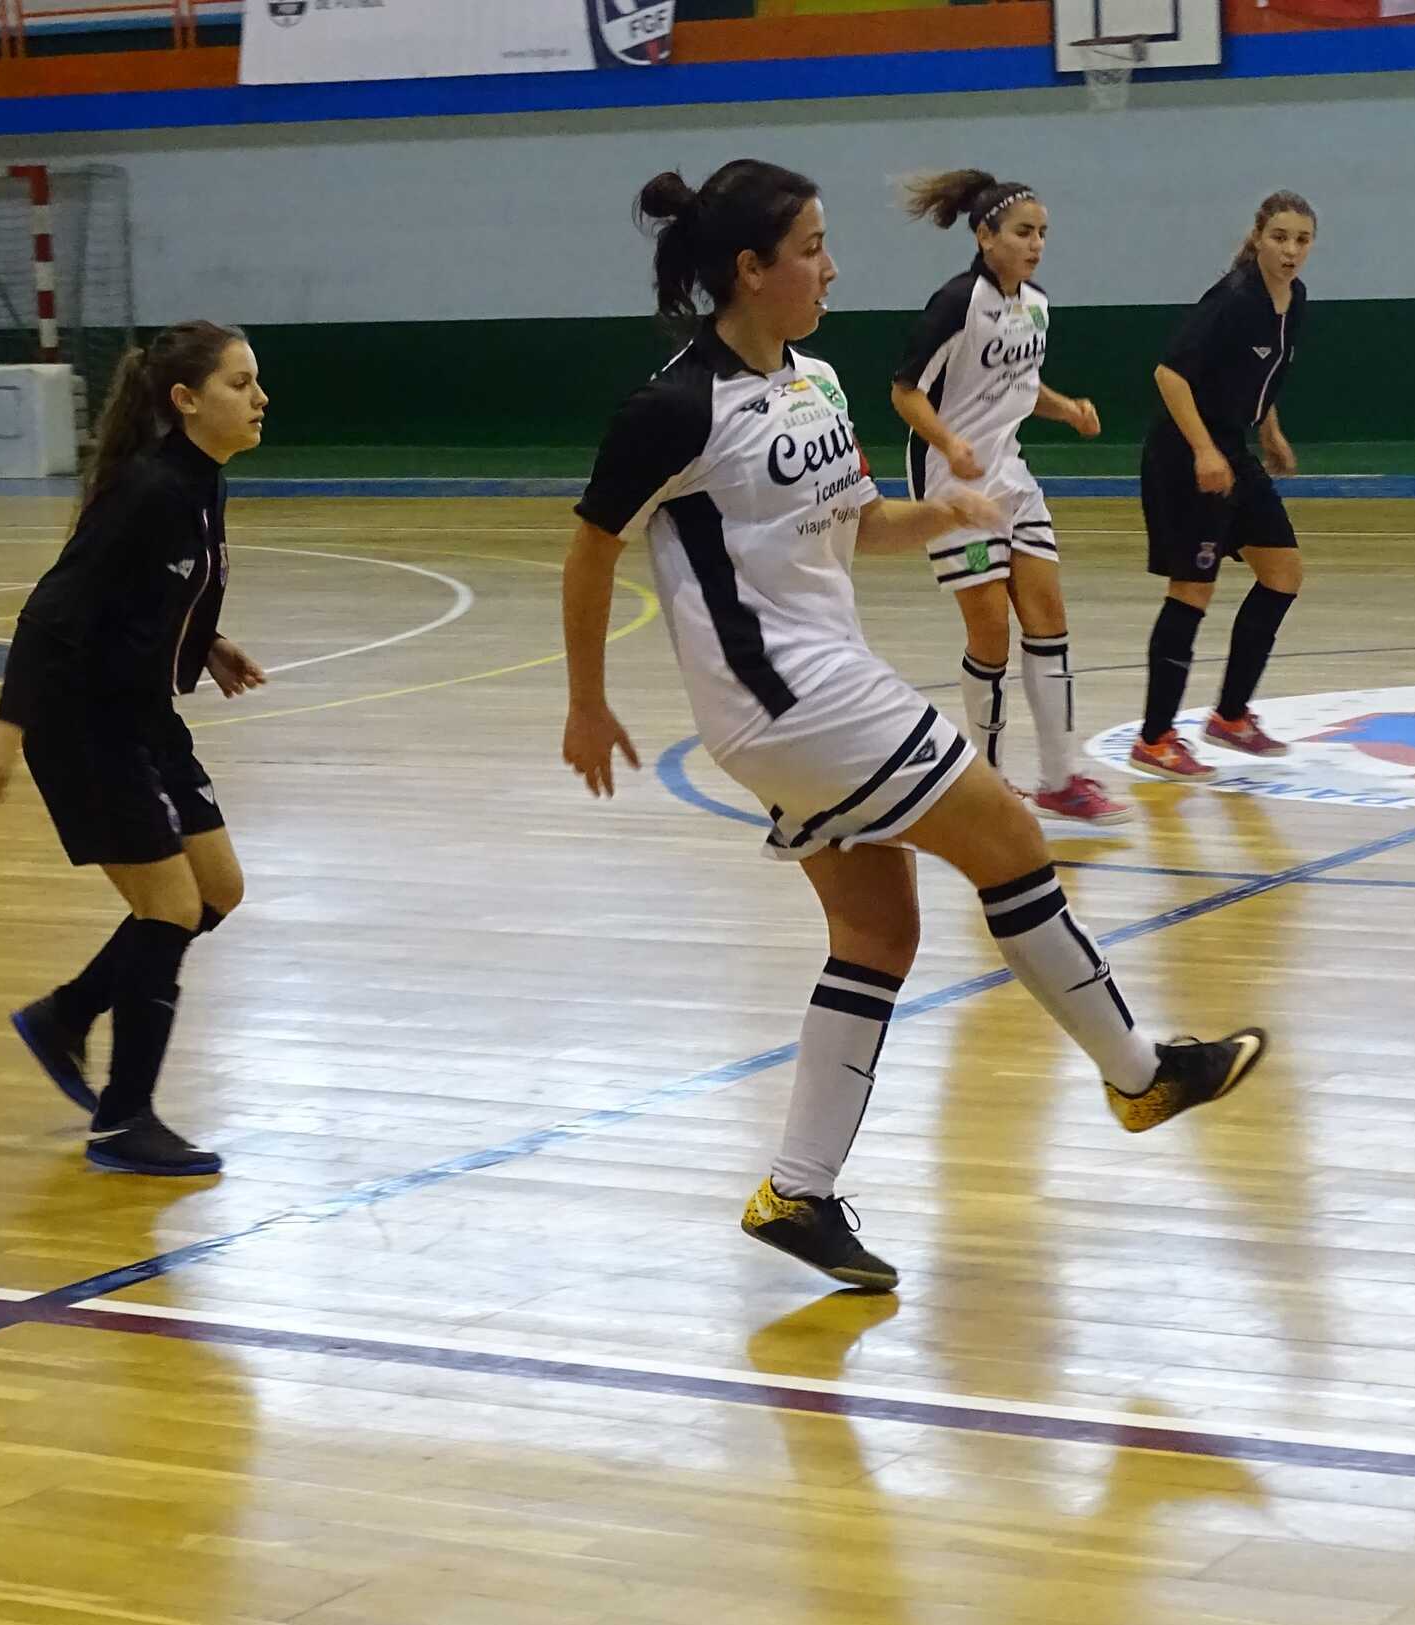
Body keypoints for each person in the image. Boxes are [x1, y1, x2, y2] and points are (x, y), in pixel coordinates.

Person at [561, 158, 1267, 1292]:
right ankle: (1139, 1073)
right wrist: (588, 700)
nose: (832, 269)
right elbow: (592, 544)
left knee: (879, 934)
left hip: (821, 687)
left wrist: (944, 512)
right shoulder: (675, 408)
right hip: (786, 701)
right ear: (750, 269)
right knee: (1014, 843)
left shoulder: (818, 383)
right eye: (811, 250)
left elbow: (857, 524)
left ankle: (796, 1193)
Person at [0, 322, 270, 1178]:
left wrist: (203, 641)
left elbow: (157, 589)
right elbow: (50, 614)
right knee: (168, 908)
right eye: (240, 383)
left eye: (256, 383)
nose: (260, 398)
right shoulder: (148, 490)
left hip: (144, 715)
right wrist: (5, 728)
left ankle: (68, 1013)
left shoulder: (201, 483)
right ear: (186, 400)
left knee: (218, 891)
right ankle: (122, 1122)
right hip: (83, 723)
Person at [890, 168, 1122, 824]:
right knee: (991, 631)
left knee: (1048, 617)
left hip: (1012, 477)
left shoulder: (1037, 304)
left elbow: (1019, 384)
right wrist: (950, 443)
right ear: (985, 236)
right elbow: (905, 392)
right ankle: (987, 779)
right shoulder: (956, 303)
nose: (1036, 243)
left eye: (1042, 233)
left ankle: (1062, 779)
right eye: (1023, 232)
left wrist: (1065, 408)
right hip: (952, 484)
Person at [1128, 192, 1317, 781]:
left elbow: (1262, 377)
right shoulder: (1234, 298)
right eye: (1279, 237)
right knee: (1193, 589)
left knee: (1283, 573)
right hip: (1186, 456)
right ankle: (1155, 738)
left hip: (1233, 448)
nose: (1290, 250)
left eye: (1302, 240)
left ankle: (1230, 716)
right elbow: (1169, 375)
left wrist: (1270, 431)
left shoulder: (1294, 300)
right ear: (1258, 237)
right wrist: (1204, 451)